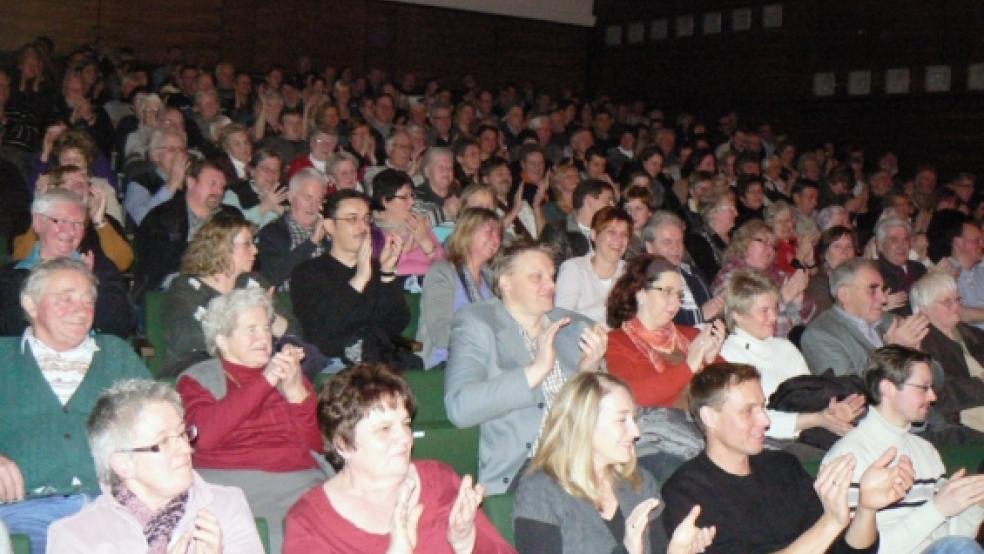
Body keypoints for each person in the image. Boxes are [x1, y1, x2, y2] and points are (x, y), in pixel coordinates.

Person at [661, 362, 916, 554]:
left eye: (762, 407)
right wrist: (831, 522)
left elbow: (848, 550)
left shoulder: (783, 466)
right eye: (748, 411)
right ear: (710, 417)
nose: (766, 420)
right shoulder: (686, 491)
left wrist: (866, 509)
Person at [0, 259, 150, 553]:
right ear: (31, 304)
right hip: (25, 513)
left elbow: (163, 424)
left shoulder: (116, 354)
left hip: (112, 510)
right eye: (65, 298)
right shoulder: (3, 359)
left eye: (88, 300)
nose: (81, 309)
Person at [284, 363, 514, 553]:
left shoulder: (440, 480)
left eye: (405, 424)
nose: (405, 437)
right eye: (385, 429)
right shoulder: (310, 524)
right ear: (344, 444)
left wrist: (465, 543)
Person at [444, 239, 608, 494]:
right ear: (505, 283)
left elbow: (604, 409)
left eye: (552, 277)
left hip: (582, 457)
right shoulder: (478, 323)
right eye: (537, 278)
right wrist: (536, 370)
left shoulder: (575, 326)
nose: (551, 285)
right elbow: (460, 407)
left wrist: (588, 372)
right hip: (525, 465)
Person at [177, 289, 325, 552]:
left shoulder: (288, 374)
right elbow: (202, 438)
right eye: (251, 329)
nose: (264, 338)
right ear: (222, 339)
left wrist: (296, 393)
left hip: (299, 481)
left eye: (267, 328)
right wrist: (265, 380)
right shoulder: (198, 379)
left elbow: (315, 445)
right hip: (231, 484)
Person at [47, 379, 264, 553]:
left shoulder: (225, 506)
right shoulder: (76, 536)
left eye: (182, 434)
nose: (186, 449)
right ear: (124, 464)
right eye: (164, 441)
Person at [513, 372, 716, 554]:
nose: (636, 432)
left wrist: (677, 551)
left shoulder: (639, 482)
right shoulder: (541, 491)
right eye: (622, 420)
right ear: (585, 424)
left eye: (633, 419)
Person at [823, 346, 984, 554]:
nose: (933, 396)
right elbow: (862, 550)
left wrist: (974, 506)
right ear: (888, 388)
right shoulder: (847, 458)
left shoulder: (925, 451)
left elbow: (948, 538)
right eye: (923, 388)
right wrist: (938, 508)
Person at [719, 269, 865, 441]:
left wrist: (834, 412)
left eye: (775, 308)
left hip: (814, 432)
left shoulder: (785, 346)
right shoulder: (728, 355)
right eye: (764, 311)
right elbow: (750, 418)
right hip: (771, 442)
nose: (774, 317)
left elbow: (811, 396)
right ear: (738, 315)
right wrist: (819, 419)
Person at [160, 212, 293, 376]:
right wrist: (243, 327)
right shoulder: (186, 288)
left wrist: (268, 315)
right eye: (247, 244)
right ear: (222, 247)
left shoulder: (254, 283)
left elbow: (293, 331)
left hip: (253, 365)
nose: (255, 250)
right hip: (200, 367)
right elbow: (184, 338)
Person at [291, 189, 411, 366]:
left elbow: (397, 323)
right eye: (352, 219)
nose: (363, 227)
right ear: (330, 226)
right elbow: (321, 333)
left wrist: (387, 272)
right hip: (334, 362)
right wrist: (359, 280)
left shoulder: (376, 268)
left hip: (378, 358)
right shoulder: (308, 273)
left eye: (366, 219)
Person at [0, 189, 133, 339]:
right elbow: (8, 331)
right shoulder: (10, 276)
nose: (70, 231)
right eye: (60, 221)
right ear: (37, 223)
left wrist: (90, 286)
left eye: (78, 224)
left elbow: (120, 328)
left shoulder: (100, 269)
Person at [605, 254, 726, 409]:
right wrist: (689, 366)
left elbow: (728, 388)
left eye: (679, 295)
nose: (676, 303)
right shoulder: (616, 341)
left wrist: (710, 362)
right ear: (641, 294)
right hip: (665, 428)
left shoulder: (692, 335)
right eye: (667, 292)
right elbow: (633, 395)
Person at [801, 258, 928, 377]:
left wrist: (916, 354)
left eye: (882, 290)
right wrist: (892, 352)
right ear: (844, 295)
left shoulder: (889, 321)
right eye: (872, 291)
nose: (883, 299)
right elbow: (847, 392)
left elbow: (937, 375)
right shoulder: (821, 335)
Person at [134, 159, 242, 297]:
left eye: (222, 186)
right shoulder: (162, 217)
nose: (218, 191)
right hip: (172, 291)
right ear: (191, 182)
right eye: (212, 184)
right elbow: (156, 270)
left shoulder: (230, 217)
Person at [417, 208, 501, 367]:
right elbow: (440, 333)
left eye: (498, 234)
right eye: (489, 231)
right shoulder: (442, 271)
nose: (496, 239)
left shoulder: (490, 278)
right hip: (446, 360)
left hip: (484, 359)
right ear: (467, 232)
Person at [712, 220, 816, 338]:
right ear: (744, 242)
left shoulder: (777, 274)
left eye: (773, 246)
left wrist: (795, 305)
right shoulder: (729, 276)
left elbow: (811, 310)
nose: (770, 250)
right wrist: (785, 297)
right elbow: (745, 323)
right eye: (764, 241)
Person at [911, 272, 984, 431]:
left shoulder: (968, 332)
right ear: (924, 310)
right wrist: (980, 383)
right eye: (947, 302)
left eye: (957, 299)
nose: (957, 307)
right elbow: (937, 396)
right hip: (963, 418)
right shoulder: (921, 345)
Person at [642, 211, 722, 327]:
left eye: (679, 241)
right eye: (667, 242)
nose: (676, 247)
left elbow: (712, 312)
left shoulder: (693, 273)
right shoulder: (642, 278)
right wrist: (700, 314)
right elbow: (658, 321)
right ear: (649, 247)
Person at [256, 168, 331, 290]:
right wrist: (311, 243)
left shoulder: (328, 232)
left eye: (319, 200)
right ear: (291, 197)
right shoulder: (272, 232)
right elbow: (271, 278)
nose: (313, 206)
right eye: (307, 198)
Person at [554, 207, 630, 324]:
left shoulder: (630, 273)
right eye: (611, 232)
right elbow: (561, 319)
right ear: (593, 235)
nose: (618, 239)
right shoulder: (574, 269)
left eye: (624, 234)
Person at [371, 168, 445, 279]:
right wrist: (405, 251)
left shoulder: (418, 223)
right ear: (385, 201)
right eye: (404, 197)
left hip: (432, 287)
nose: (412, 202)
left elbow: (444, 266)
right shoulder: (376, 234)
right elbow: (384, 272)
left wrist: (425, 240)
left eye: (412, 195)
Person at [540, 179, 616, 265]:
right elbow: (550, 267)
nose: (612, 206)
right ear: (589, 201)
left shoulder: (612, 231)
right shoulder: (557, 231)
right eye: (608, 200)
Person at [222, 147, 288, 228]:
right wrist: (264, 206)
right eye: (266, 169)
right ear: (252, 171)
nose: (271, 174)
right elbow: (231, 229)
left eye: (276, 170)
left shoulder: (285, 193)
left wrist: (281, 210)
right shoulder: (234, 193)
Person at [874, 217, 926, 316]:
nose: (901, 245)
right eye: (894, 240)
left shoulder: (919, 268)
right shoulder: (873, 274)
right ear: (880, 245)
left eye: (905, 240)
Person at [684, 191, 736, 282]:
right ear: (712, 212)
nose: (736, 213)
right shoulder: (697, 240)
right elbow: (711, 278)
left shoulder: (735, 235)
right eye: (731, 209)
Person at [805, 225, 857, 313]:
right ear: (825, 254)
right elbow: (828, 319)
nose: (844, 251)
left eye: (849, 246)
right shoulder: (818, 284)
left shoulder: (861, 279)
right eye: (837, 246)